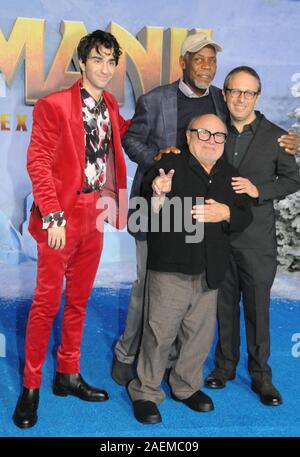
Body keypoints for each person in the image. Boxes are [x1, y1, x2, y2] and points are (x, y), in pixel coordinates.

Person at [112, 32, 300, 386]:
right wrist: (155, 157)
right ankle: (128, 354)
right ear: (182, 62)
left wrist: (291, 140)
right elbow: (130, 138)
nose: (206, 67)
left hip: (206, 219)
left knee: (194, 294)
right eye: (199, 59)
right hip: (160, 206)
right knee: (147, 286)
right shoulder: (155, 100)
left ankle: (178, 364)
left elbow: (255, 128)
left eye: (212, 61)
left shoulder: (220, 102)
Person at [13, 30, 130, 429]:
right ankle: (30, 386)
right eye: (97, 59)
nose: (104, 67)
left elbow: (123, 135)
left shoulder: (111, 103)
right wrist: (52, 215)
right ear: (82, 63)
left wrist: (168, 140)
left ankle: (67, 374)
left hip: (94, 214)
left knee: (79, 301)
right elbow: (38, 162)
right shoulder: (54, 105)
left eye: (110, 61)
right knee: (46, 303)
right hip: (59, 217)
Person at [128, 113, 253, 424]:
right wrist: (157, 194)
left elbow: (244, 215)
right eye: (204, 133)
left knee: (199, 336)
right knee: (159, 334)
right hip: (170, 269)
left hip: (210, 270)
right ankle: (145, 391)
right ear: (188, 135)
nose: (211, 141)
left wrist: (226, 213)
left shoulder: (231, 174)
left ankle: (186, 387)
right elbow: (143, 213)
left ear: (225, 141)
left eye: (218, 136)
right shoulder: (167, 165)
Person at [204, 66, 300, 406]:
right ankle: (224, 367)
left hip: (257, 241)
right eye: (234, 91)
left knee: (258, 309)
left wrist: (259, 189)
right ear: (225, 94)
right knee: (224, 306)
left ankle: (261, 376)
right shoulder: (213, 132)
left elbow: (293, 179)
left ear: (256, 97)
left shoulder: (276, 137)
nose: (241, 98)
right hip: (219, 237)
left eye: (248, 93)